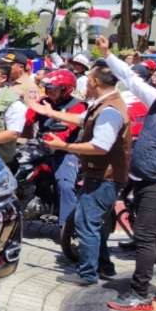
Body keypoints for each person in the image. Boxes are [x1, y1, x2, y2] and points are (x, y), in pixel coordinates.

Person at [96, 36, 156, 311]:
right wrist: (107, 54)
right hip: (144, 180)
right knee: (154, 234)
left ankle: (140, 294)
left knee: (143, 235)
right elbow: (130, 78)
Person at [30, 64, 128, 285]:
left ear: (95, 82)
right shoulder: (103, 105)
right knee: (95, 224)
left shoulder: (110, 110)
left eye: (89, 79)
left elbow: (100, 147)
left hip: (105, 176)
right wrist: (48, 111)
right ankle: (104, 266)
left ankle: (87, 274)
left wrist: (64, 146)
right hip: (99, 173)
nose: (85, 83)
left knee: (86, 224)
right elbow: (82, 119)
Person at [23, 69, 87, 228]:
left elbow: (67, 129)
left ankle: (67, 227)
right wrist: (27, 117)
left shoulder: (78, 106)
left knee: (65, 185)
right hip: (40, 148)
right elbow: (27, 121)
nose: (48, 91)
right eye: (48, 87)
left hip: (65, 151)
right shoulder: (44, 102)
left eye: (53, 88)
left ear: (65, 89)